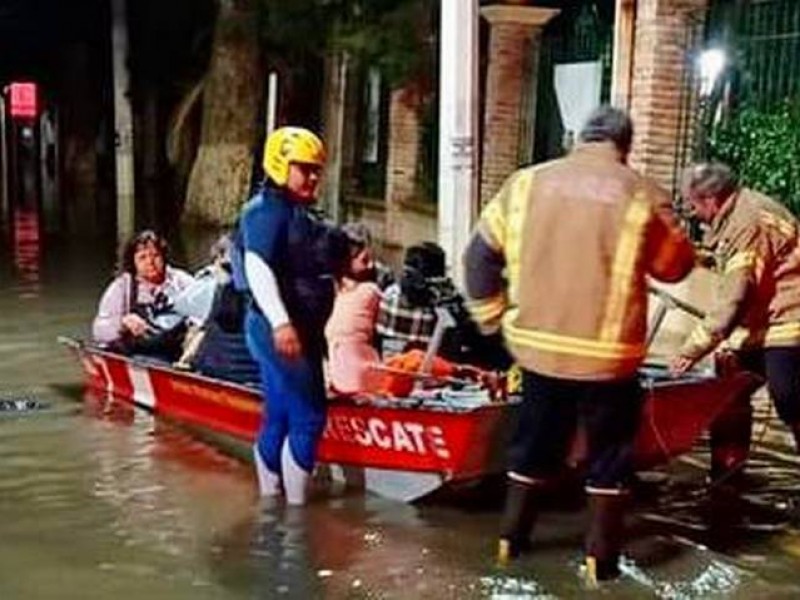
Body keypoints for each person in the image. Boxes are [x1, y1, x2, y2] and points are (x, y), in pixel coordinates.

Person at [463, 106, 695, 583]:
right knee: (608, 460)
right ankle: (599, 566)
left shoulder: (526, 183)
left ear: (579, 138)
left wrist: (494, 325)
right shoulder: (642, 194)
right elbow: (676, 267)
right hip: (608, 361)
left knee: (531, 447)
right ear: (623, 146)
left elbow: (478, 259)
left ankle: (510, 546)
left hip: (536, 349)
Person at [232, 126, 345, 506]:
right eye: (304, 169)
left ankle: (271, 502)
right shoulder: (265, 212)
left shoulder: (293, 212)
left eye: (317, 170)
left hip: (291, 329)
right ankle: (297, 513)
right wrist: (281, 322)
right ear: (281, 165)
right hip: (278, 329)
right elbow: (257, 265)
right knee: (310, 416)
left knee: (279, 411)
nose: (313, 177)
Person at [669, 162, 800, 481]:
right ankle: (726, 476)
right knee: (728, 387)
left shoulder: (746, 222)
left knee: (789, 397)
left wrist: (691, 349)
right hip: (762, 320)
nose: (693, 213)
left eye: (692, 204)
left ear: (710, 199)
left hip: (789, 317)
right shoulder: (738, 212)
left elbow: (735, 297)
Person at [92, 230, 194, 360]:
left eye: (155, 255)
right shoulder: (122, 287)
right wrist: (122, 324)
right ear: (133, 261)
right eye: (142, 257)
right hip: (137, 355)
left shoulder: (181, 281)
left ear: (164, 257)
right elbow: (99, 331)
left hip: (177, 353)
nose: (150, 262)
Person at [325, 223, 383, 395]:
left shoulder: (366, 291)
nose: (370, 264)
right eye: (363, 259)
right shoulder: (368, 291)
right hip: (352, 379)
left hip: (346, 379)